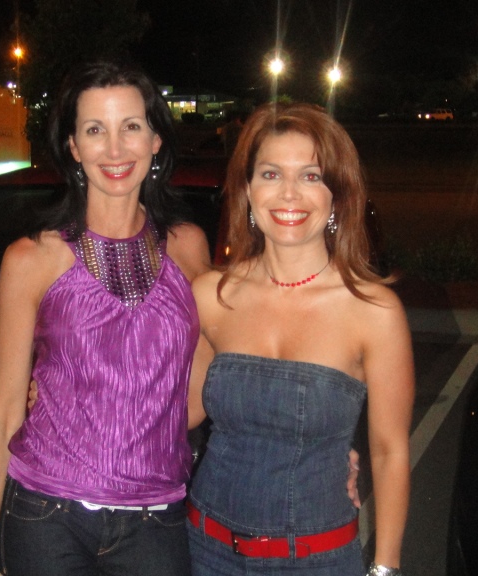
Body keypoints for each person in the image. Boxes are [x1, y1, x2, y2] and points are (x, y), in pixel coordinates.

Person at [0, 58, 211, 576]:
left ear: (156, 140)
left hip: (156, 517)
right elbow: (5, 409)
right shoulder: (31, 258)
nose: (115, 149)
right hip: (46, 514)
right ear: (74, 147)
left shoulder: (189, 248)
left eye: (131, 127)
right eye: (95, 130)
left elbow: (202, 394)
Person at [186, 102, 415, 576]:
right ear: (247, 190)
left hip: (318, 559)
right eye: (271, 174)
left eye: (311, 176)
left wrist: (385, 568)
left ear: (337, 197)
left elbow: (390, 452)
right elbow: (178, 412)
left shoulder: (373, 311)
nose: (289, 193)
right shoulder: (211, 295)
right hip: (204, 549)